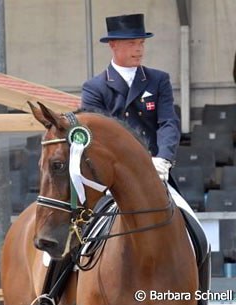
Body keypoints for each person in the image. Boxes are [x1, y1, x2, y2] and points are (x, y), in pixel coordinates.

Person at [81, 13, 210, 304]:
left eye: (141, 43)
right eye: (131, 43)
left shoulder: (157, 80)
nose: (139, 49)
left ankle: (200, 297)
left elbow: (168, 123)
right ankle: (53, 291)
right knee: (81, 239)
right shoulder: (95, 88)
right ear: (113, 45)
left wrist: (163, 158)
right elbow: (98, 136)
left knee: (198, 234)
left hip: (157, 174)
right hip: (111, 182)